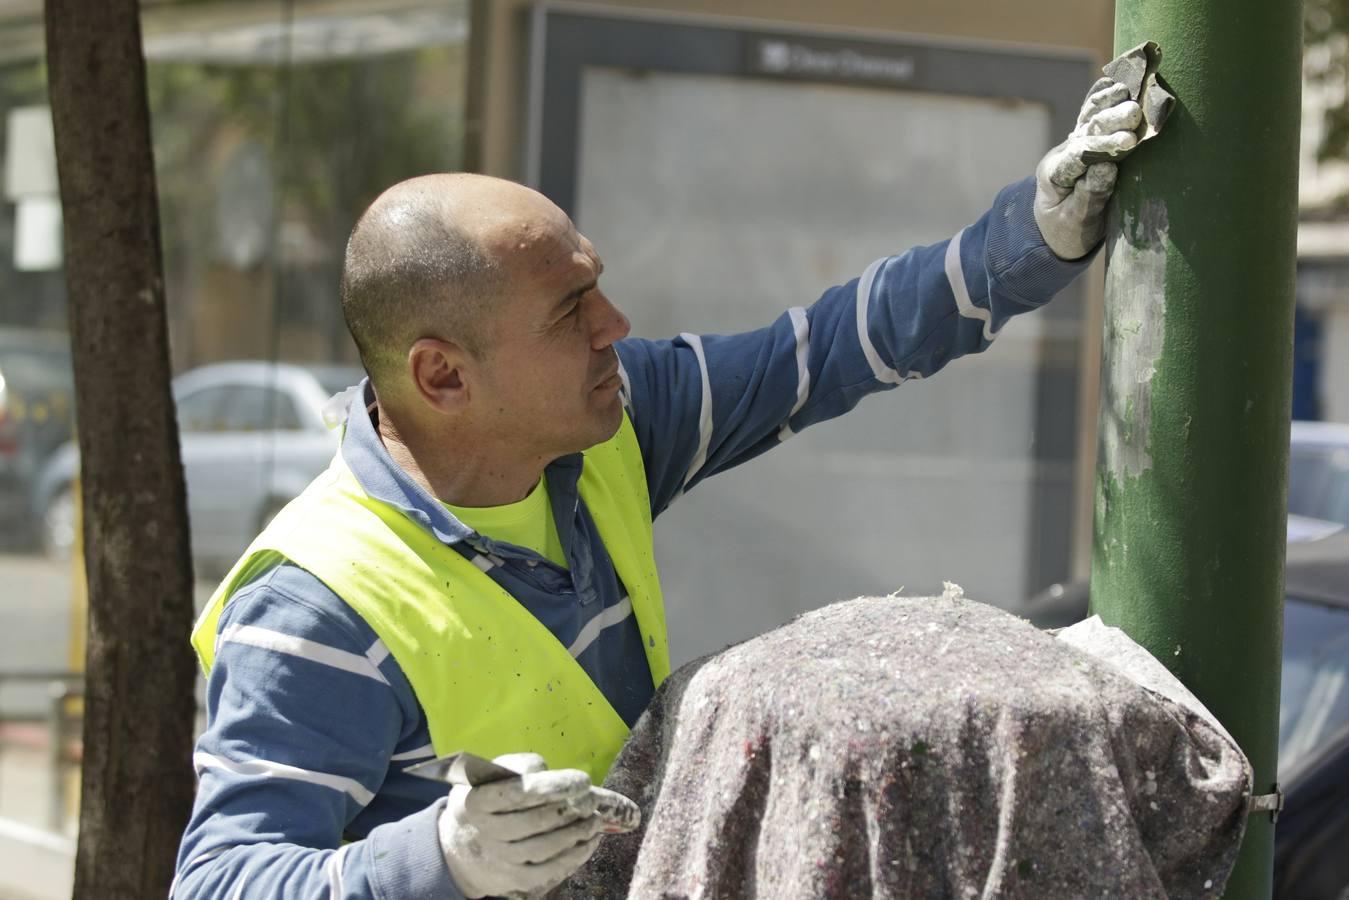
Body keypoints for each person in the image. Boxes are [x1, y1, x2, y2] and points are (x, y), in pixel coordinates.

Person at [173, 76, 1145, 899]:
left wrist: (1031, 233)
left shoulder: (614, 424)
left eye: (594, 286)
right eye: (569, 312)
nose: (616, 324)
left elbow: (826, 349)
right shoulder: (314, 605)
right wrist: (437, 855)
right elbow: (218, 879)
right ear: (442, 377)